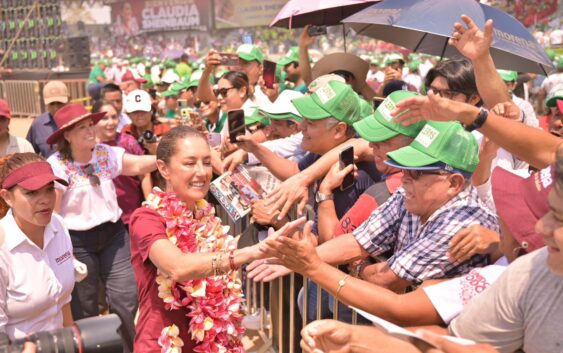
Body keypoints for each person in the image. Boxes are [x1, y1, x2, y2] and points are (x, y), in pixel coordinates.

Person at [128, 125, 307, 353]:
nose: (202, 172)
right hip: (164, 345)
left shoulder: (208, 216)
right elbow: (177, 267)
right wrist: (252, 252)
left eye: (206, 162)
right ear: (163, 168)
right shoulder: (146, 218)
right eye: (190, 163)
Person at [45, 103, 158, 352]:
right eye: (81, 128)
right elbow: (53, 214)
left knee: (126, 299)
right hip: (76, 242)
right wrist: (61, 252)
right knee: (84, 306)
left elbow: (138, 165)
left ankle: (130, 349)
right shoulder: (56, 165)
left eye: (89, 125)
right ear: (66, 135)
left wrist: (167, 157)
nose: (90, 131)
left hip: (114, 237)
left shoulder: (106, 153)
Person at [0, 153, 74, 339]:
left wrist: (72, 341)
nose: (46, 199)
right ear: (7, 197)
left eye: (49, 189)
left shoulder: (58, 225)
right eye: (31, 192)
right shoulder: (3, 250)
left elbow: (64, 301)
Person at [92, 100, 147, 225]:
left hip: (131, 213)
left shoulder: (128, 141)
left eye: (114, 117)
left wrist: (150, 203)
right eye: (104, 118)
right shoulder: (89, 147)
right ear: (94, 120)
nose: (111, 122)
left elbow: (144, 173)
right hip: (102, 218)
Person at [26, 81, 69, 158]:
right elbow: (29, 155)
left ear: (68, 100)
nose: (56, 108)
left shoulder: (79, 121)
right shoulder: (37, 125)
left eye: (59, 102)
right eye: (52, 103)